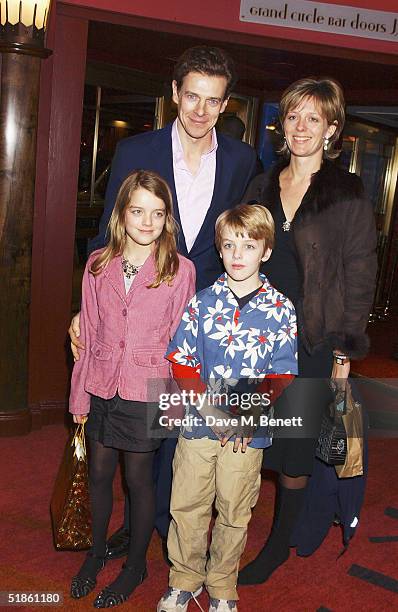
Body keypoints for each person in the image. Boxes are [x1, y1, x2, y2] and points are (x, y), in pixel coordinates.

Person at [69, 45, 257, 558]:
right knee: (137, 422)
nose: (200, 110)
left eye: (212, 100)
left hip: (203, 322)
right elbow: (108, 238)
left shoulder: (242, 161)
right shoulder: (136, 152)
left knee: (181, 430)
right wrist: (87, 311)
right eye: (191, 96)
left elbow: (241, 240)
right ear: (175, 94)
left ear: (225, 105)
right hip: (141, 315)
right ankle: (134, 527)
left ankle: (166, 526)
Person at [238, 77, 377, 585]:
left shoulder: (347, 190)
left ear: (331, 129)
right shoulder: (260, 183)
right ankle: (238, 527)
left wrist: (345, 352)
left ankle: (278, 545)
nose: (300, 127)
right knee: (250, 437)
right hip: (256, 336)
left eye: (313, 119)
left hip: (312, 341)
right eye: (293, 116)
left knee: (294, 450)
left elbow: (361, 271)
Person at [157, 204, 297, 612]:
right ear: (219, 250)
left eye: (249, 245)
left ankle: (221, 584)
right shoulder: (202, 303)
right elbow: (182, 360)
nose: (238, 254)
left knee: (235, 509)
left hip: (246, 433)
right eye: (230, 245)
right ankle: (184, 578)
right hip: (199, 423)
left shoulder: (280, 309)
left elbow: (282, 373)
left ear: (265, 252)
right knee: (187, 503)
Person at [68, 170, 195, 608]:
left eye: (157, 213)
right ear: (122, 213)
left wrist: (178, 405)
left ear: (167, 219)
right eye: (138, 211)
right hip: (103, 383)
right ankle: (96, 552)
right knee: (100, 473)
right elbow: (88, 331)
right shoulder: (98, 262)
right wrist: (79, 396)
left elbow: (182, 343)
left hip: (149, 390)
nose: (147, 222)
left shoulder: (180, 269)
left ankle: (135, 565)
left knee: (138, 480)